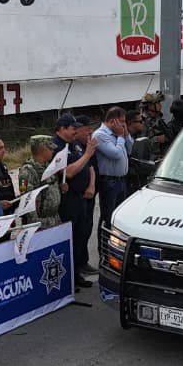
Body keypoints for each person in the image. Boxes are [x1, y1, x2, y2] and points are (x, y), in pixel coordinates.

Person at [52, 114, 98, 288]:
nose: (75, 131)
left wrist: (91, 185)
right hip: (68, 198)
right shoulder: (56, 146)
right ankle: (67, 278)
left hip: (82, 196)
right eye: (72, 128)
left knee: (81, 235)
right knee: (70, 237)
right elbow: (68, 172)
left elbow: (89, 166)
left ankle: (77, 273)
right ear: (62, 129)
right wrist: (87, 154)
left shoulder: (74, 144)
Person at [93, 106, 133, 235]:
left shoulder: (119, 134)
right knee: (108, 218)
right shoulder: (100, 135)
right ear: (113, 121)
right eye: (121, 121)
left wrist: (126, 135)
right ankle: (104, 250)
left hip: (121, 180)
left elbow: (130, 149)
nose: (123, 125)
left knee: (119, 218)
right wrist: (121, 136)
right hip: (109, 182)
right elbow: (115, 154)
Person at [17, 135, 63, 228]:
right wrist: (35, 224)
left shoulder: (49, 166)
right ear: (42, 149)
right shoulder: (27, 171)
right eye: (50, 149)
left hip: (54, 219)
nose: (53, 151)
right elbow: (26, 199)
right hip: (39, 223)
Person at [74, 115, 100, 275]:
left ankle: (83, 261)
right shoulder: (76, 146)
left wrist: (92, 185)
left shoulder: (86, 145)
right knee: (80, 231)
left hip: (89, 193)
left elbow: (91, 167)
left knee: (87, 228)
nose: (90, 131)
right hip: (80, 195)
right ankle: (79, 264)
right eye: (86, 129)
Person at [126, 109, 155, 192]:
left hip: (140, 177)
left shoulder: (140, 134)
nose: (143, 123)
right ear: (130, 123)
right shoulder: (125, 139)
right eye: (140, 121)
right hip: (130, 180)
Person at [141, 91, 172, 158]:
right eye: (157, 103)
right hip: (151, 159)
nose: (160, 105)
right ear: (150, 106)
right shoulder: (144, 122)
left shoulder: (157, 119)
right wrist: (156, 139)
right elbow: (141, 144)